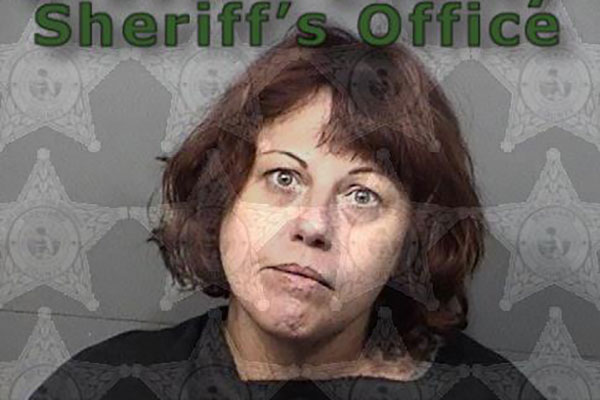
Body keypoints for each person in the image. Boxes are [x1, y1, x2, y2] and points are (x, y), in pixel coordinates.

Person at [29, 22, 547, 400]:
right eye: (283, 178)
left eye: (362, 195)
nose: (313, 224)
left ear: (412, 242)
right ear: (224, 196)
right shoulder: (101, 386)